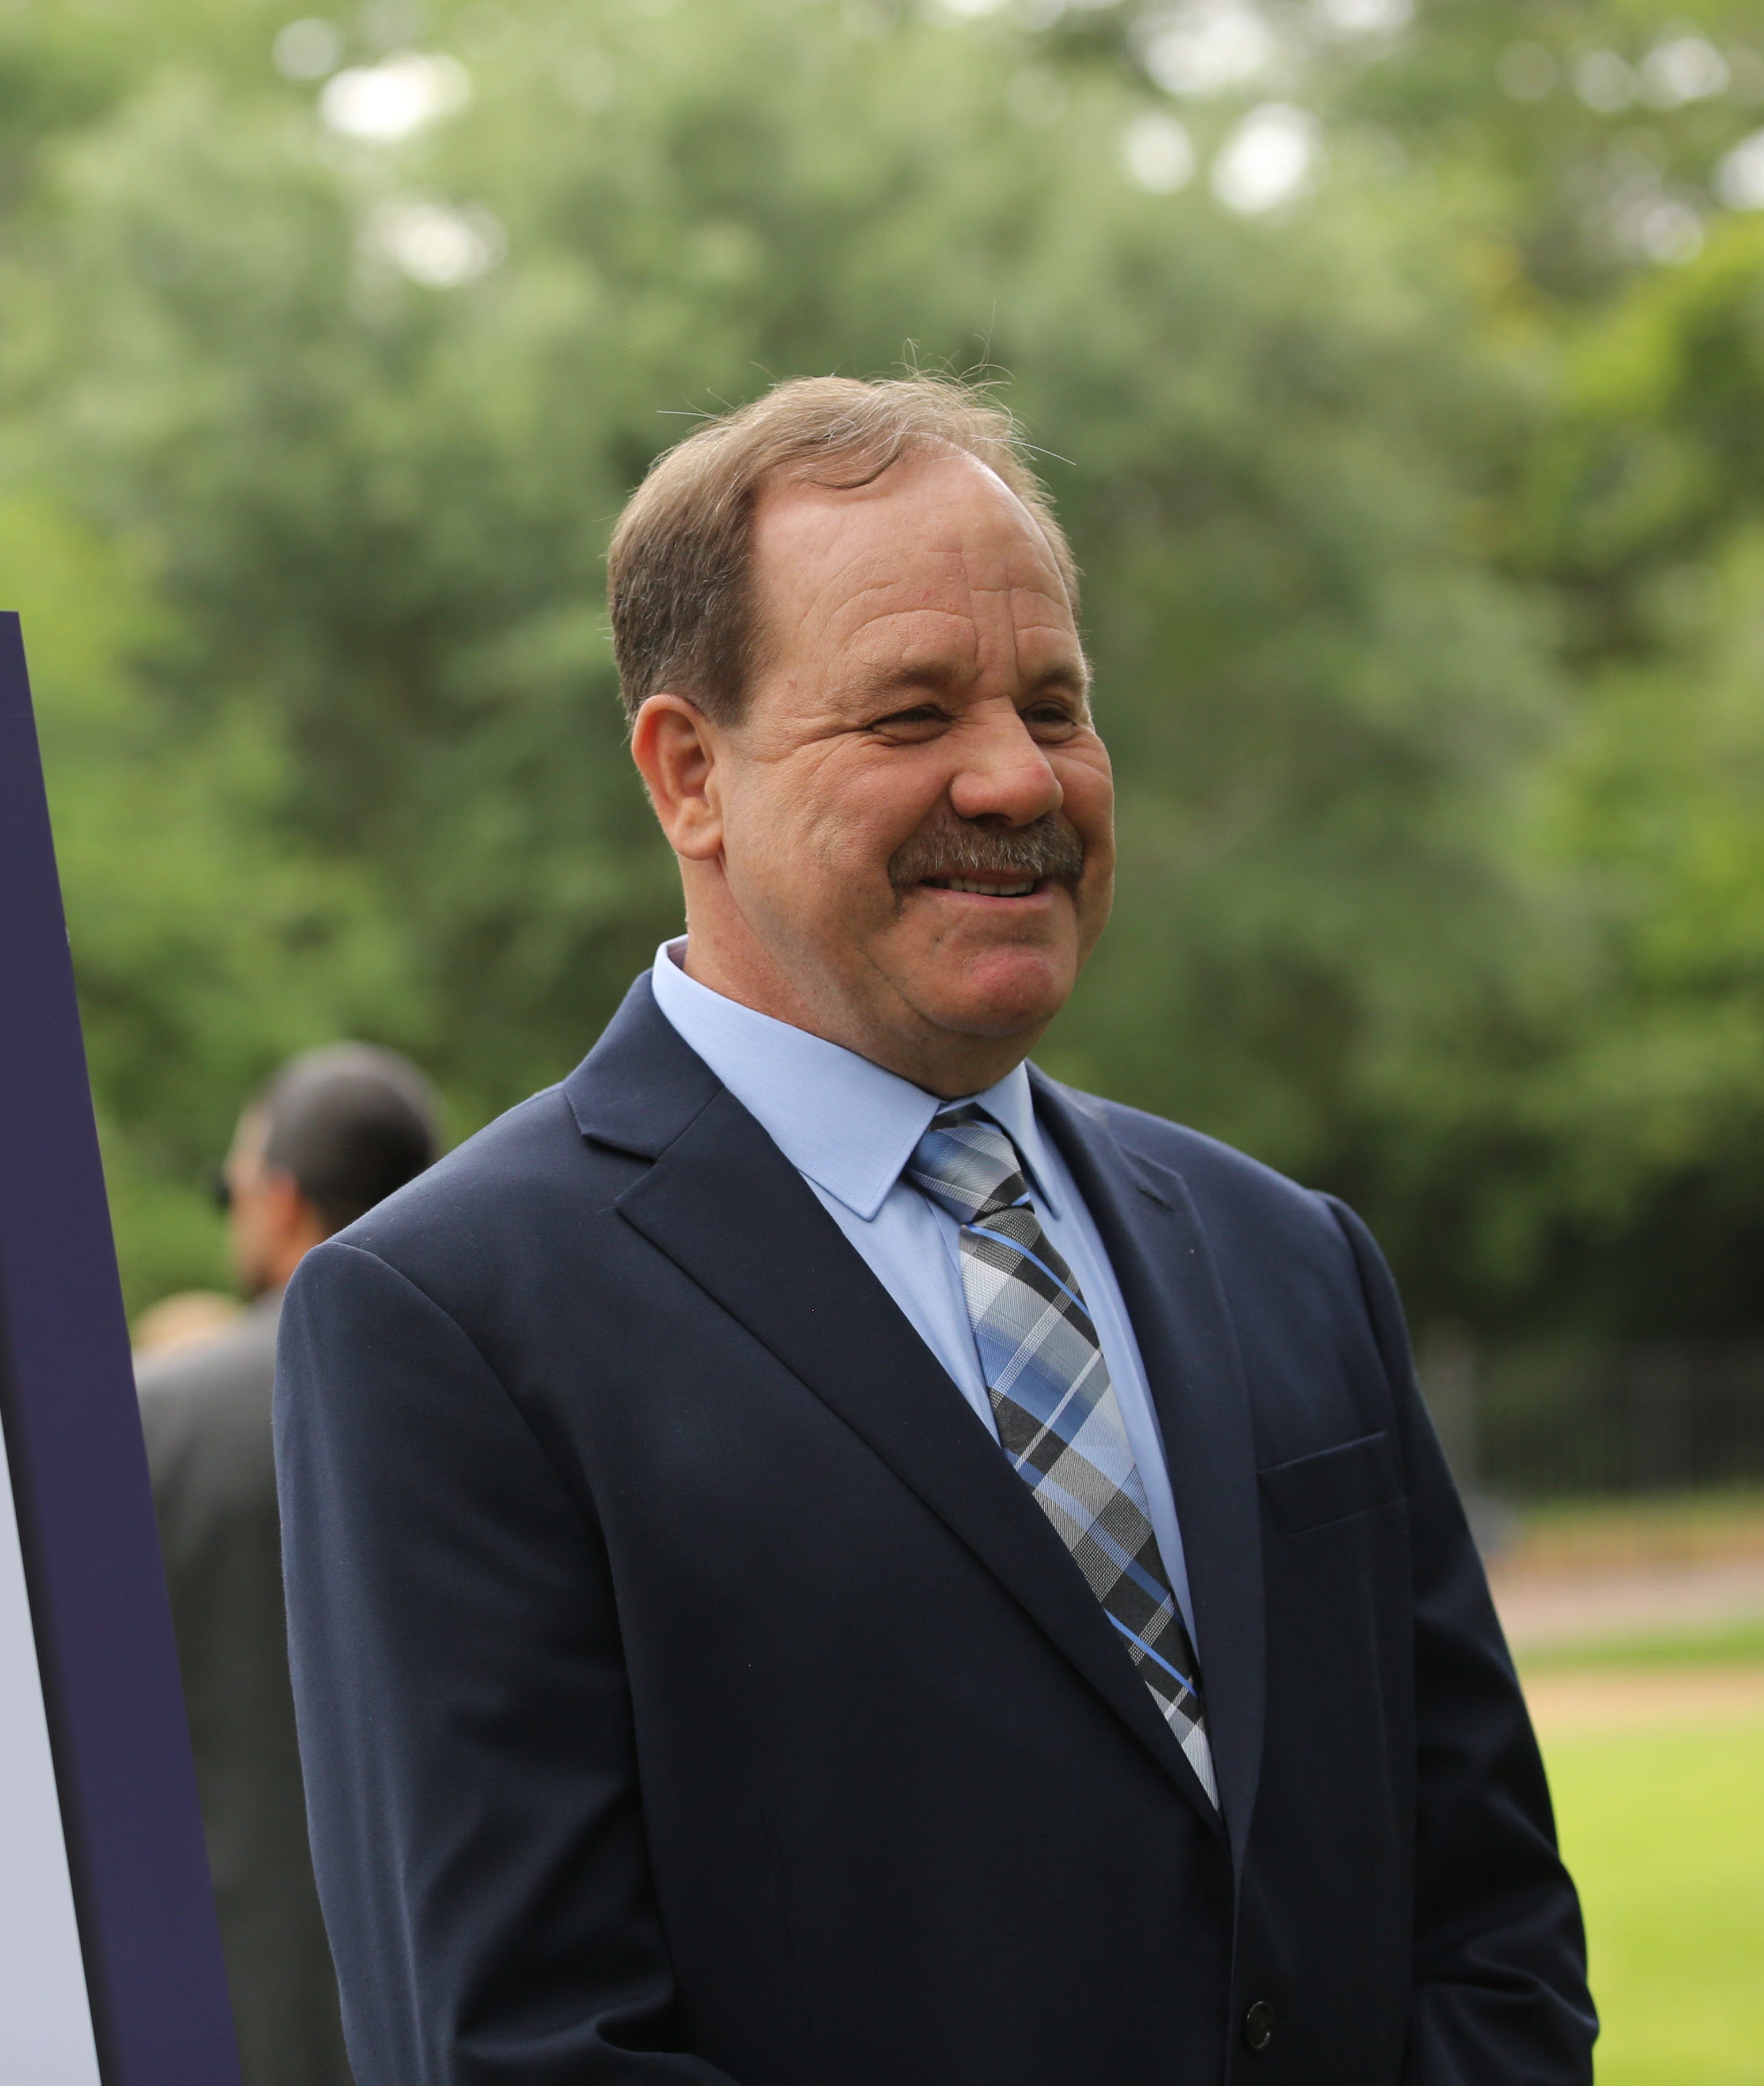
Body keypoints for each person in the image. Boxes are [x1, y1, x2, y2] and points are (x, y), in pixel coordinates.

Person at [276, 376, 1593, 2084]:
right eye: (911, 715)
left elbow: (1489, 1924)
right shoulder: (447, 1322)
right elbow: (523, 2046)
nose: (1014, 776)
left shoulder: (1294, 1261)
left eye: (1056, 703)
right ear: (691, 776)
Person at [141, 1044, 444, 2086]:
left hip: (232, 2004)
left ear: (278, 1202)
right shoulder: (517, 1388)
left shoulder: (159, 1426)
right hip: (473, 2001)